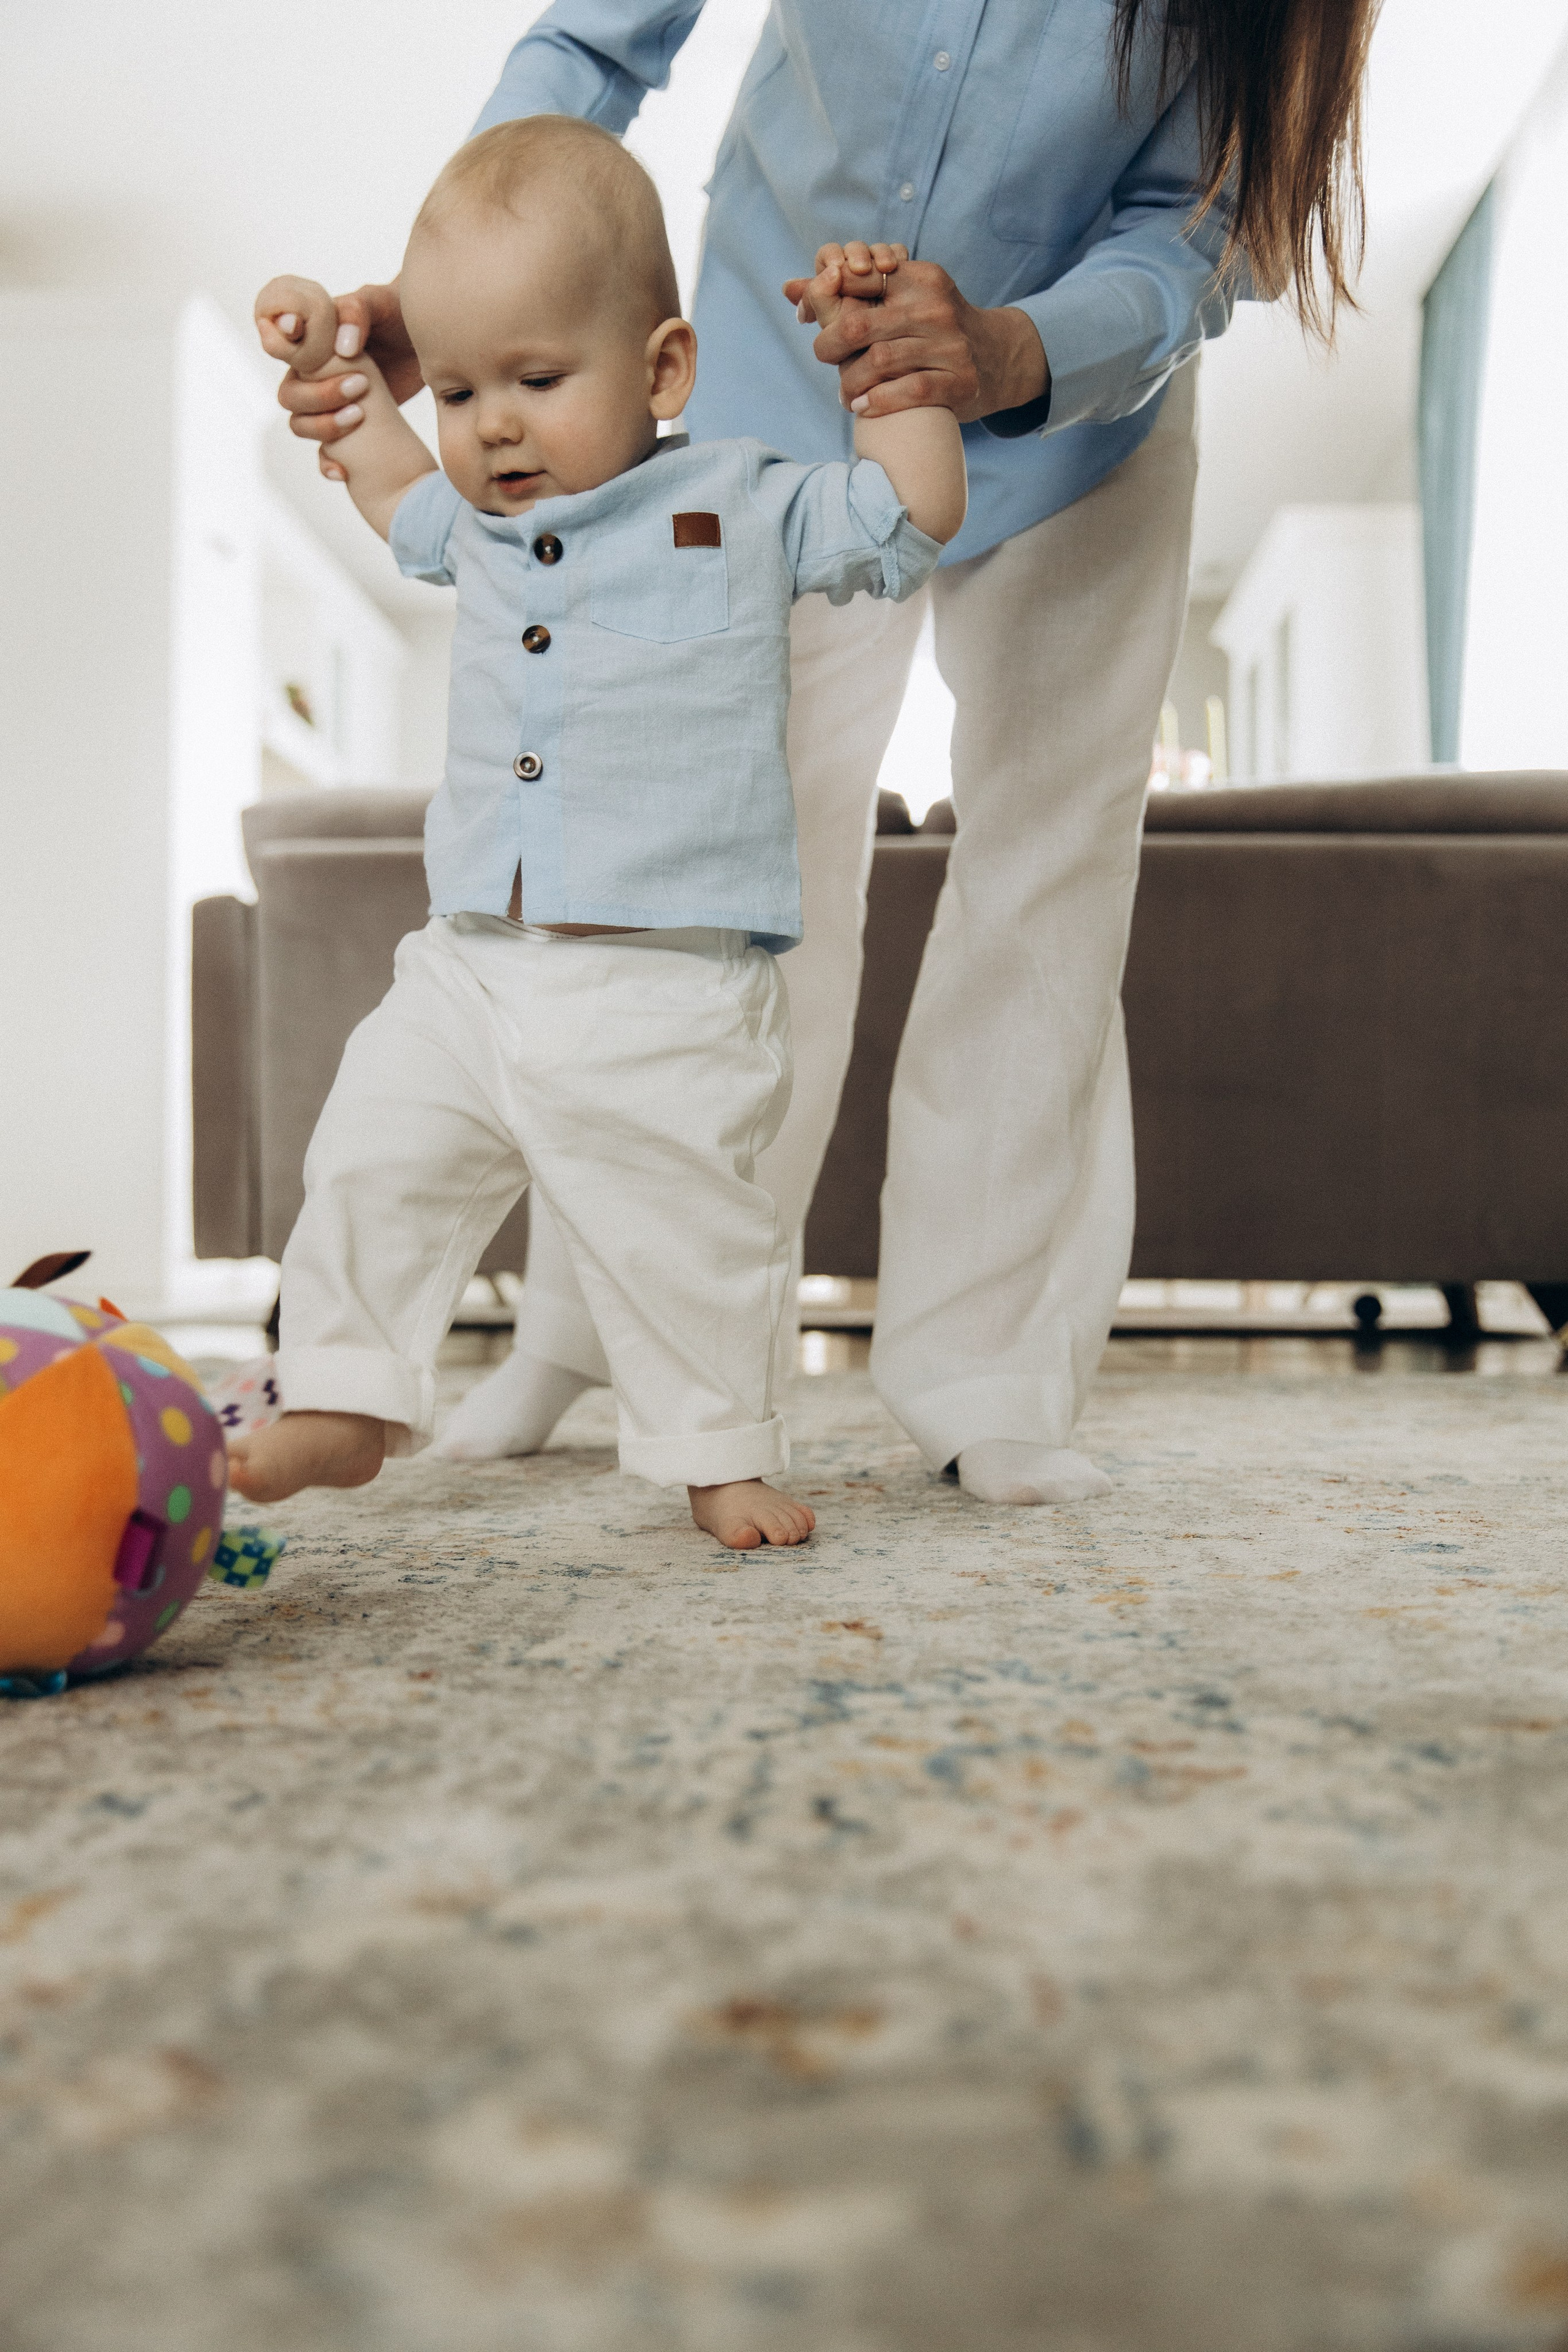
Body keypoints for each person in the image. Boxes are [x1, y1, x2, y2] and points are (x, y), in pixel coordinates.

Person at [276, 0, 1375, 1507]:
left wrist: (1013, 349)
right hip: (764, 370)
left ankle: (986, 1374)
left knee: (1042, 883)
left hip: (1077, 411)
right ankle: (588, 1338)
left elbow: (1201, 223)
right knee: (687, 861)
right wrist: (467, 302)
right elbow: (595, 43)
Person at [235, 116, 966, 1549]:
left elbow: (910, 512)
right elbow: (386, 482)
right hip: (469, 961)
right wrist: (331, 360)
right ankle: (340, 1389)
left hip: (664, 981)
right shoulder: (474, 528)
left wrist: (886, 363)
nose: (491, 424)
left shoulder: (741, 500)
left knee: (682, 1227)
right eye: (459, 390)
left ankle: (718, 1453)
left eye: (535, 380)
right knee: (371, 1154)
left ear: (662, 369)